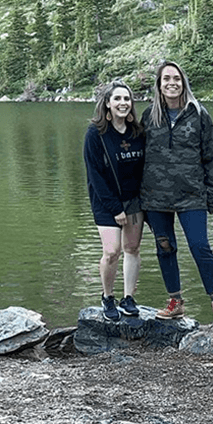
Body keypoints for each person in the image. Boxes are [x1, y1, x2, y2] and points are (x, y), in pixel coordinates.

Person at [140, 60, 213, 322]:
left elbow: (211, 157)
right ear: (158, 85)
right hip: (155, 196)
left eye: (176, 79)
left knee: (200, 246)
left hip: (192, 195)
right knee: (165, 247)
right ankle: (175, 301)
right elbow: (138, 158)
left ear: (184, 83)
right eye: (166, 79)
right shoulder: (149, 116)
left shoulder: (199, 114)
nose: (172, 83)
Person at [84, 79, 146, 322]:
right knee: (111, 252)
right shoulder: (96, 133)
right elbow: (95, 175)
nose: (123, 103)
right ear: (107, 104)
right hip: (106, 200)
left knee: (132, 248)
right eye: (117, 99)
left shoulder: (137, 132)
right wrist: (114, 208)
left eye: (127, 99)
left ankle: (128, 298)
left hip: (134, 201)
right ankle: (108, 297)